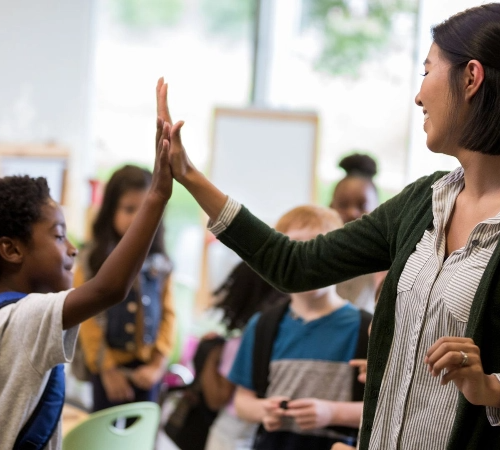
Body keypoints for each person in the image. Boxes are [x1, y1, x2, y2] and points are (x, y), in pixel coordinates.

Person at [159, 3, 500, 448]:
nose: (418, 96)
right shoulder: (424, 201)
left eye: (426, 71)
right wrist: (189, 175)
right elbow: (294, 264)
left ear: (471, 78)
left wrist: (489, 387)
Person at [0, 118, 174, 449]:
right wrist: (158, 195)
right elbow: (109, 289)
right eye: (59, 235)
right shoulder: (23, 316)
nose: (72, 248)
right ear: (11, 249)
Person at [227, 205, 370, 449]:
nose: (305, 261)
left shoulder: (368, 328)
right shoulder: (263, 326)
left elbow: (389, 410)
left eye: (316, 247)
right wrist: (264, 410)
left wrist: (332, 412)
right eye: (294, 248)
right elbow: (242, 400)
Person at [74, 164, 176, 411]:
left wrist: (158, 364)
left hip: (147, 371)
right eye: (130, 209)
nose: (138, 219)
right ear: (110, 211)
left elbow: (169, 314)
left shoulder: (160, 261)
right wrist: (107, 369)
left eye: (146, 210)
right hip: (108, 370)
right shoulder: (92, 260)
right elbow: (87, 320)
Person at [202, 261, 290, 450]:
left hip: (233, 430)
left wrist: (210, 356)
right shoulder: (282, 337)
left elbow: (218, 398)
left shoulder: (240, 343)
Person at [329, 153, 381, 312]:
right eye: (343, 205)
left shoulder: (386, 258)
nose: (352, 213)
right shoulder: (320, 252)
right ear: (331, 207)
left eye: (362, 205)